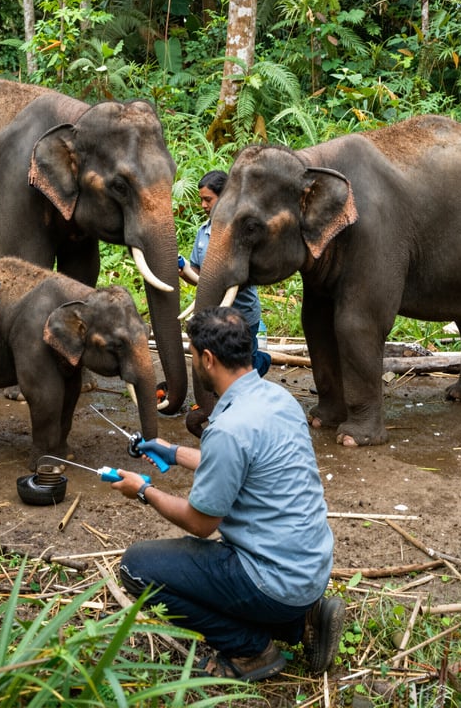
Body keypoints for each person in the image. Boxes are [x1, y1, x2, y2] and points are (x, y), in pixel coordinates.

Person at [110, 307, 344, 682]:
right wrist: (170, 452)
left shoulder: (229, 428)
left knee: (137, 567)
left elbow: (200, 524)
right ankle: (302, 623)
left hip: (272, 580)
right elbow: (239, 463)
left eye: (192, 354)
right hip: (310, 571)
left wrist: (143, 490)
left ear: (207, 358)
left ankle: (250, 650)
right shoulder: (277, 399)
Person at [183, 170, 270, 377]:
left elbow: (243, 276)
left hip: (242, 314)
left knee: (243, 366)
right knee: (222, 363)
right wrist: (184, 269)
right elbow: (199, 275)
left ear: (224, 198)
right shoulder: (203, 232)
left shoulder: (242, 233)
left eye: (208, 200)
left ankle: (262, 361)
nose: (203, 205)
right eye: (201, 200)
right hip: (216, 314)